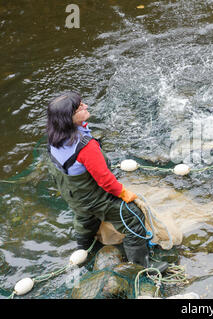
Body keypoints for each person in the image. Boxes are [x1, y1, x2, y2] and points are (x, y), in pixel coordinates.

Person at [46, 91, 168, 270]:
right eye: (80, 107)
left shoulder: (53, 138)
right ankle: (141, 267)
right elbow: (106, 181)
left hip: (74, 196)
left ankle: (84, 249)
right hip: (95, 198)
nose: (85, 106)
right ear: (68, 118)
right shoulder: (86, 147)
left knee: (85, 219)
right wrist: (126, 194)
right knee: (133, 217)